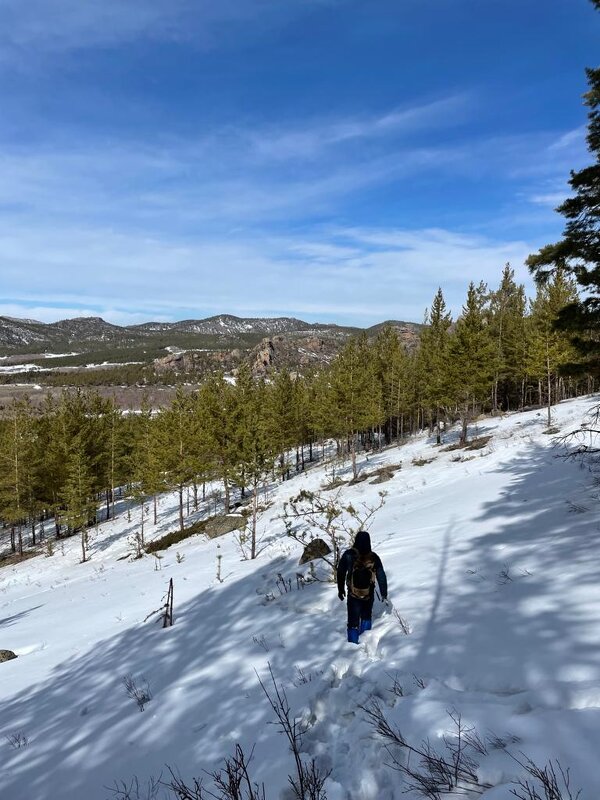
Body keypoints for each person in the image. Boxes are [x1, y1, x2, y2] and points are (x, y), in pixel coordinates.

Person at [337, 530, 388, 644]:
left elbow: (340, 572)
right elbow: (381, 576)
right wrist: (384, 593)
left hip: (352, 593)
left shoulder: (349, 554)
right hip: (368, 593)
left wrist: (340, 589)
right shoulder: (374, 557)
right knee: (366, 616)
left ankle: (353, 645)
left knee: (353, 620)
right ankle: (365, 642)